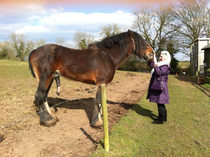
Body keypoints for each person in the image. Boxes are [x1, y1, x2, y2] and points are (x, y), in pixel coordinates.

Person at [147, 51, 171, 124]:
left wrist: (156, 65)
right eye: (160, 56)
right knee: (160, 102)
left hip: (160, 86)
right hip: (158, 85)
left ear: (166, 58)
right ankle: (164, 117)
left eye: (162, 56)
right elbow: (152, 65)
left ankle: (160, 120)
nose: (160, 58)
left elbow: (158, 72)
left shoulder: (166, 66)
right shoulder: (160, 64)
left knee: (160, 102)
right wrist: (153, 57)